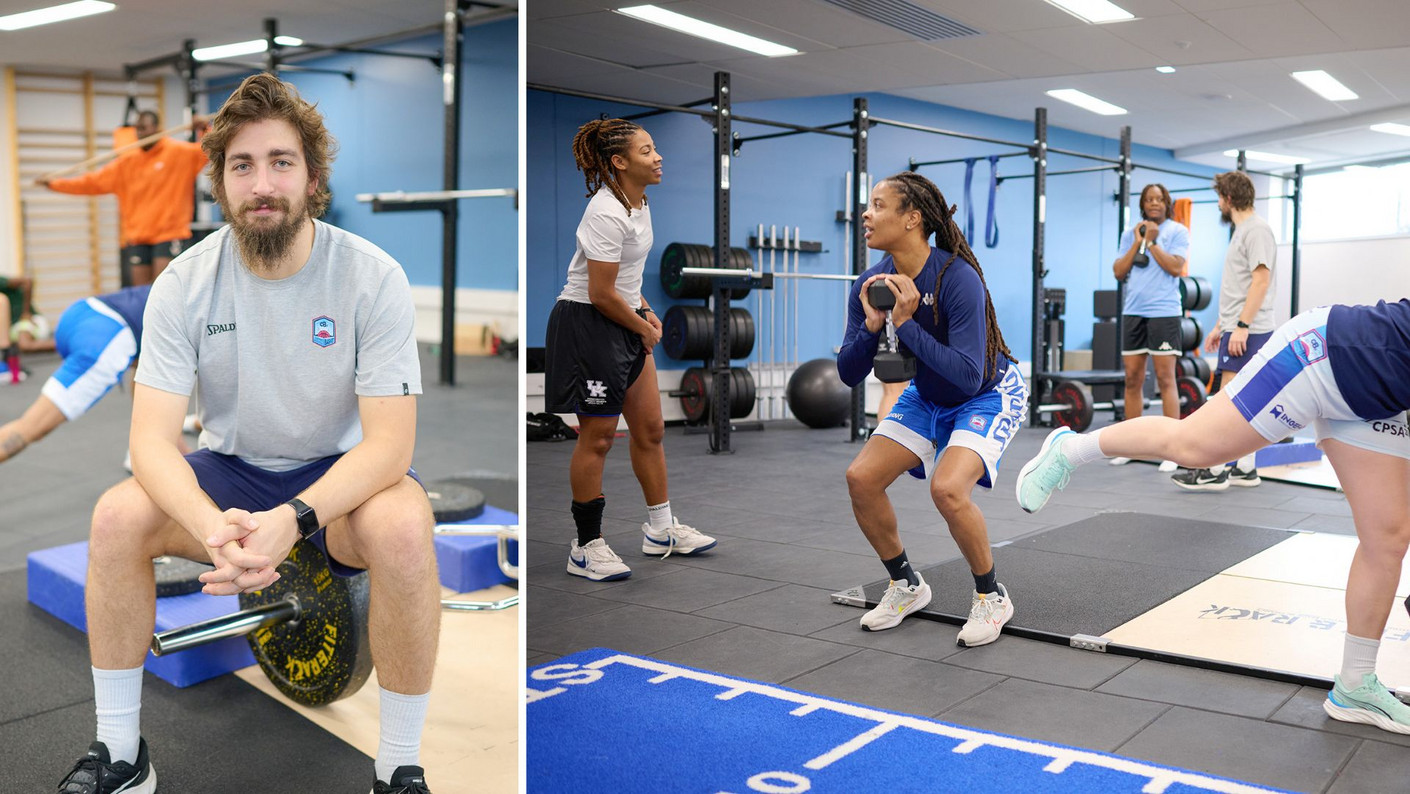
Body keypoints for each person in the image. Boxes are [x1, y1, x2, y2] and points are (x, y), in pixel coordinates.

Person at [56, 74, 441, 794]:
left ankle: (397, 767)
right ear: (220, 184)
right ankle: (120, 753)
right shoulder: (184, 282)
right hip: (229, 472)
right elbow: (150, 442)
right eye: (242, 165)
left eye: (281, 162)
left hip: (340, 475)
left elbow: (390, 447)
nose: (262, 183)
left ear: (313, 178)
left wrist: (293, 521)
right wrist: (211, 528)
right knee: (116, 517)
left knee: (404, 531)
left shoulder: (371, 277)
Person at [1016, 298, 1410, 736]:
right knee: (1194, 446)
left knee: (1388, 537)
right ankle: (1071, 450)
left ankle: (1355, 684)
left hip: (1377, 398)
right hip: (1321, 356)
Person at [839, 171, 1029, 645]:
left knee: (947, 490)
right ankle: (905, 585)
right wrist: (871, 326)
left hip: (987, 392)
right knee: (861, 479)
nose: (866, 213)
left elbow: (967, 373)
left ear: (912, 219)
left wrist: (905, 325)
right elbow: (847, 372)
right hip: (927, 395)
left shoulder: (956, 278)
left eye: (879, 205)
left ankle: (991, 595)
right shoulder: (870, 282)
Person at [544, 118, 717, 583]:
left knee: (652, 428)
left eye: (655, 148)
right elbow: (600, 292)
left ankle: (660, 530)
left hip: (624, 315)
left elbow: (626, 279)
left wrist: (647, 311)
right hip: (588, 323)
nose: (657, 156)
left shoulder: (638, 202)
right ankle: (585, 546)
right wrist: (641, 327)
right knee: (597, 437)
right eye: (646, 151)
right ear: (619, 162)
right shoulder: (605, 212)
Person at [1171, 170, 1277, 491]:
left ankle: (1215, 470)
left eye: (1220, 197)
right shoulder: (1243, 231)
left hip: (1249, 329)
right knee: (1246, 400)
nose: (1218, 204)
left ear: (1229, 199)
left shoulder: (1255, 231)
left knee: (1224, 402)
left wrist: (1241, 326)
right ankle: (1246, 468)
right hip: (1240, 327)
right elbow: (1240, 285)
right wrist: (1222, 325)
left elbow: (1261, 281)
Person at [36, 109, 208, 287]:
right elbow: (91, 182)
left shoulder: (179, 152)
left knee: (164, 289)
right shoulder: (127, 162)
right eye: (137, 129)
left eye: (144, 128)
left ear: (157, 128)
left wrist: (204, 129)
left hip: (169, 234)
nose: (140, 133)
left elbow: (209, 150)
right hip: (138, 237)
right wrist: (54, 184)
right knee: (140, 294)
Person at [0, 285, 149, 464]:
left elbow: (149, 383)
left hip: (81, 311)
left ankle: (144, 453)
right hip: (106, 339)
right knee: (29, 429)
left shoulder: (175, 282)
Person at [1109, 183, 1190, 472]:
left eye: (1159, 199)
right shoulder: (1130, 233)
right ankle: (1132, 446)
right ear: (1143, 204)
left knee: (1166, 379)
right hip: (1134, 311)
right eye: (1149, 199)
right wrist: (1137, 241)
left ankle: (1173, 449)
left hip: (1164, 312)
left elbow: (1176, 268)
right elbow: (1119, 271)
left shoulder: (1177, 232)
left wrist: (1153, 242)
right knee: (1132, 378)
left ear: (1167, 203)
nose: (1154, 203)